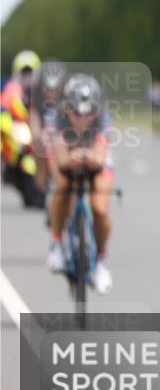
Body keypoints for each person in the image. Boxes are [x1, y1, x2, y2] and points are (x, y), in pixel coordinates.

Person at [47, 74, 116, 293]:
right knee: (62, 187)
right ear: (67, 107)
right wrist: (71, 159)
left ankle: (101, 261)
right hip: (67, 159)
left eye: (90, 112)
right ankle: (56, 242)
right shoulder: (56, 117)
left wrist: (88, 156)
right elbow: (60, 156)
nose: (84, 118)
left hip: (96, 163)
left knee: (100, 209)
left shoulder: (104, 117)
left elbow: (100, 153)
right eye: (77, 112)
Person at [28, 60, 67, 195]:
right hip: (45, 134)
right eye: (48, 90)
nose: (52, 94)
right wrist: (37, 135)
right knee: (38, 146)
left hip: (61, 134)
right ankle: (41, 184)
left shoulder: (68, 97)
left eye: (55, 90)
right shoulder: (36, 97)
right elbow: (34, 117)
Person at [1, 50, 40, 121]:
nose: (27, 77)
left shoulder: (40, 91)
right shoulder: (11, 90)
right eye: (24, 72)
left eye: (30, 72)